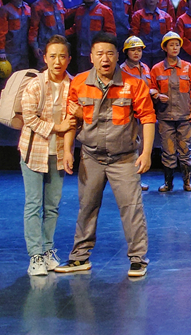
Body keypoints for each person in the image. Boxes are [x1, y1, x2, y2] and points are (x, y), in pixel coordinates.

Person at [55, 32, 156, 277]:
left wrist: (146, 153)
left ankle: (138, 259)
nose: (105, 58)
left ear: (117, 56)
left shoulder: (134, 84)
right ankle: (80, 257)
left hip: (124, 158)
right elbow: (71, 120)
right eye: (99, 53)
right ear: (91, 57)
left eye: (110, 53)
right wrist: (67, 151)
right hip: (91, 157)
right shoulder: (79, 83)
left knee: (131, 208)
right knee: (87, 207)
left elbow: (148, 118)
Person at [18, 35, 75, 276]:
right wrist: (56, 127)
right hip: (33, 152)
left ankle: (48, 250)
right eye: (53, 56)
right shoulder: (35, 85)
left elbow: (73, 121)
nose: (57, 61)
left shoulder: (73, 85)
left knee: (52, 206)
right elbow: (29, 118)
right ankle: (35, 255)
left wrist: (69, 149)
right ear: (45, 58)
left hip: (58, 154)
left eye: (62, 56)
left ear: (69, 59)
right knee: (33, 204)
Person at [151, 31, 191, 193]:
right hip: (166, 117)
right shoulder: (157, 69)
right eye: (171, 45)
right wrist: (157, 95)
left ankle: (187, 182)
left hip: (185, 116)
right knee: (168, 151)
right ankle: (168, 183)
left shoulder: (187, 67)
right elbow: (151, 88)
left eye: (177, 45)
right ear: (165, 48)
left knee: (185, 150)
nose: (175, 48)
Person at [120, 35, 157, 192]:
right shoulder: (122, 70)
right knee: (130, 147)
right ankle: (129, 179)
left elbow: (149, 85)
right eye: (133, 50)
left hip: (143, 112)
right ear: (126, 52)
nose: (136, 53)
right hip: (129, 113)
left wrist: (154, 92)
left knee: (141, 147)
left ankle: (137, 179)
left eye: (139, 50)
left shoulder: (145, 68)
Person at [66, 0, 116, 73]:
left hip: (99, 54)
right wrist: (62, 35)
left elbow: (111, 33)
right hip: (82, 54)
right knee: (83, 77)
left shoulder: (105, 10)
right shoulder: (79, 10)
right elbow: (76, 28)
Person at [130, 0, 173, 69]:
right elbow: (134, 34)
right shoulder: (138, 15)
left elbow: (169, 37)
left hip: (160, 54)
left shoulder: (166, 17)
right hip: (143, 54)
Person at [29, 0, 67, 70]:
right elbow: (33, 27)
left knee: (60, 69)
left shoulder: (60, 3)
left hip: (61, 44)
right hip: (45, 46)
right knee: (44, 70)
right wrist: (35, 46)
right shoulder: (38, 5)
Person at [0, 0, 32, 73]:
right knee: (9, 74)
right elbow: (1, 32)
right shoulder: (5, 10)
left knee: (24, 74)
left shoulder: (27, 8)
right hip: (10, 51)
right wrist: (2, 51)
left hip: (24, 50)